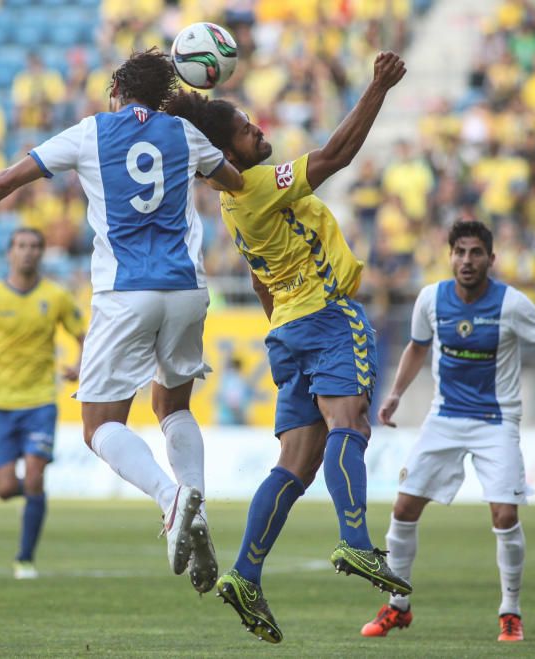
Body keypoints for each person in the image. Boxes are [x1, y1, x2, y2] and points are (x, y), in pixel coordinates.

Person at [0, 49, 245, 593]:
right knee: (173, 405)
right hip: (187, 289)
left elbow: (10, 179)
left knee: (100, 426)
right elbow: (236, 182)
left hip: (125, 291)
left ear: (116, 91)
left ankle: (171, 498)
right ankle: (196, 504)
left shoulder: (89, 133)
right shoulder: (183, 133)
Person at [167, 51, 409, 643]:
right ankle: (355, 542)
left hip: (289, 330)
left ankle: (246, 575)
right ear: (228, 155)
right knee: (349, 426)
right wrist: (377, 87)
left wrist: (288, 331)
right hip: (328, 317)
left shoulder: (231, 203)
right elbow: (334, 157)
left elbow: (258, 280)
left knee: (295, 464)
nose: (260, 131)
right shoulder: (253, 185)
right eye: (249, 130)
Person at [358, 220, 535, 643]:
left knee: (505, 515)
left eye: (476, 252)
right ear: (450, 256)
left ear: (491, 260)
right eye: (459, 252)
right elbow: (417, 347)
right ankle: (397, 606)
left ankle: (510, 613)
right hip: (444, 417)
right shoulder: (431, 299)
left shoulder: (511, 304)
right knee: (403, 509)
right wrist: (394, 395)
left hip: (495, 422)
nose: (466, 260)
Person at [0, 228, 85, 579]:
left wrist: (80, 365)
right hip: (0, 403)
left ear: (42, 253)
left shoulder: (56, 296)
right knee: (5, 489)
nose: (28, 253)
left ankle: (24, 558)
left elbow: (84, 335)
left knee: (34, 475)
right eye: (21, 246)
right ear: (9, 253)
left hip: (39, 402)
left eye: (35, 247)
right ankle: (36, 498)